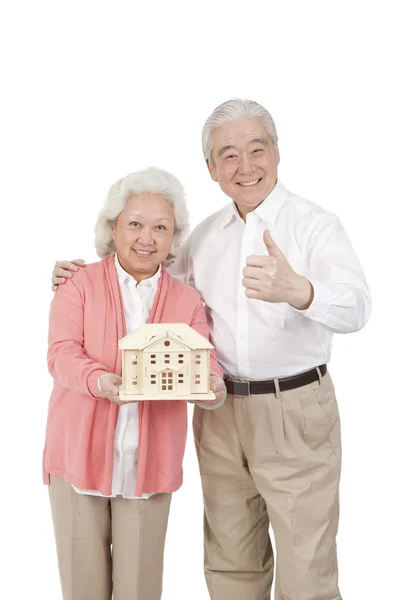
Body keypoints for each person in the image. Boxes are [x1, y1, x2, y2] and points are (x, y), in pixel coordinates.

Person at [52, 99, 371, 600]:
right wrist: (79, 274)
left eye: (256, 149)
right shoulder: (203, 238)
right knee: (229, 560)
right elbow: (148, 284)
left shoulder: (314, 225)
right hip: (217, 413)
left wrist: (300, 291)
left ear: (277, 153)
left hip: (294, 408)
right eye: (228, 155)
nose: (245, 167)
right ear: (211, 169)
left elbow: (356, 308)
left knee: (305, 565)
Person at [44, 166, 226, 600]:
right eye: (135, 224)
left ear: (173, 238)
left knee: (140, 591)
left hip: (149, 464)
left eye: (160, 227)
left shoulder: (186, 299)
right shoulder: (78, 283)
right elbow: (60, 354)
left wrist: (213, 385)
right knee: (83, 589)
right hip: (77, 459)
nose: (147, 238)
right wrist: (101, 380)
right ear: (113, 228)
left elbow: (205, 358)